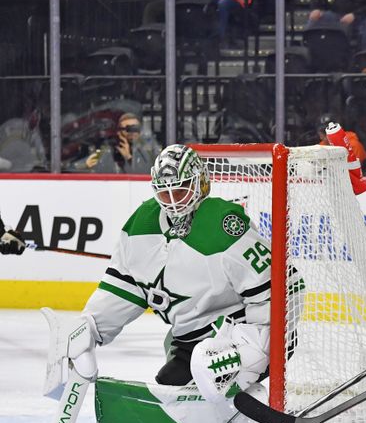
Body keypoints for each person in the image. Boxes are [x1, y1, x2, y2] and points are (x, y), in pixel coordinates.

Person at [63, 144, 303, 404]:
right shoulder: (141, 224)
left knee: (209, 370)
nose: (174, 201)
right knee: (171, 384)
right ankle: (231, 397)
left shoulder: (223, 225)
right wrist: (92, 326)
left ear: (200, 184)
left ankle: (241, 386)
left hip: (247, 335)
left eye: (180, 190)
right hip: (192, 341)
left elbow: (286, 284)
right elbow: (125, 287)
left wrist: (257, 346)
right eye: (165, 194)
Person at [83, 113, 160, 174]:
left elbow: (146, 176)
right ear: (119, 132)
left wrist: (129, 158)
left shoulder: (149, 152)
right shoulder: (109, 151)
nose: (132, 132)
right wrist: (87, 166)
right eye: (128, 129)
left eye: (135, 128)